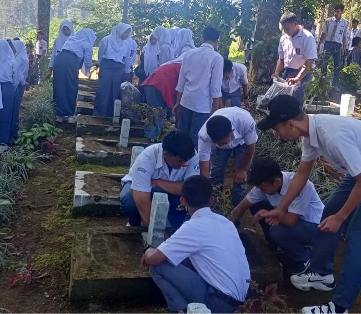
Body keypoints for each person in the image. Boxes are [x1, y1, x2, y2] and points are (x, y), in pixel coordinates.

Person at [256, 94, 361, 314]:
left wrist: (342, 217)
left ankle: (340, 307)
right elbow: (301, 175)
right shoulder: (310, 134)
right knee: (329, 213)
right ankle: (321, 274)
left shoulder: (331, 136)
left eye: (277, 129)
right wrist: (280, 209)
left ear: (290, 124)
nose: (276, 134)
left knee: (358, 238)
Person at [142, 175, 250, 314]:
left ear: (183, 200)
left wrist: (148, 249)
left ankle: (181, 309)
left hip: (219, 304)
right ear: (211, 199)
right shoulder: (226, 222)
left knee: (158, 267)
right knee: (184, 260)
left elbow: (153, 259)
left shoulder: (193, 227)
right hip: (243, 300)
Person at [229, 157, 324, 273]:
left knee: (277, 231)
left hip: (316, 227)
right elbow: (242, 206)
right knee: (257, 205)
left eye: (263, 189)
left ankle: (305, 258)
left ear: (277, 182)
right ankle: (275, 245)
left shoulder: (300, 185)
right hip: (294, 222)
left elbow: (290, 221)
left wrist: (267, 213)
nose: (261, 191)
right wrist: (227, 227)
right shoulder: (266, 184)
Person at [121, 131, 199, 231]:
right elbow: (140, 196)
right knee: (129, 201)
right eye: (180, 161)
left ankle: (174, 228)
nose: (184, 164)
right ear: (165, 154)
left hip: (166, 188)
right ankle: (135, 224)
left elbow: (190, 189)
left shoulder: (192, 156)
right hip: (139, 185)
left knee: (183, 201)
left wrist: (158, 182)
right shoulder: (148, 157)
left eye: (186, 161)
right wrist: (156, 229)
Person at [174, 26, 224, 147]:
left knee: (182, 135)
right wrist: (216, 110)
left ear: (202, 39)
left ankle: (179, 161)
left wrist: (177, 103)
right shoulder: (217, 58)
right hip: (202, 105)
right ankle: (193, 164)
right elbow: (215, 88)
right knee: (197, 138)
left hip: (186, 100)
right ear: (216, 41)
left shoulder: (188, 54)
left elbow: (181, 82)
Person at [197, 107, 257, 206]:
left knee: (240, 179)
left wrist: (242, 169)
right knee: (215, 174)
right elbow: (204, 168)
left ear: (231, 132)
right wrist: (205, 188)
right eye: (217, 143)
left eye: (222, 143)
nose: (220, 145)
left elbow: (250, 147)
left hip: (242, 142)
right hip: (222, 136)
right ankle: (215, 204)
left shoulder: (246, 122)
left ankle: (235, 209)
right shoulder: (204, 136)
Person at [52, 28, 97, 123]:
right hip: (71, 62)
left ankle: (58, 115)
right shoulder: (87, 45)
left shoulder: (71, 38)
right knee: (71, 87)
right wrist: (96, 63)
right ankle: (69, 115)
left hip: (59, 59)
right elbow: (88, 64)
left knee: (59, 86)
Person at [273, 12, 317, 107]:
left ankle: (297, 120)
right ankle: (284, 120)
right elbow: (281, 58)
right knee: (282, 98)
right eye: (283, 29)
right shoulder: (284, 38)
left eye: (287, 28)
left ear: (295, 24)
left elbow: (309, 61)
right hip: (288, 71)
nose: (285, 31)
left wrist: (297, 78)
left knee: (296, 98)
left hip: (304, 73)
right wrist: (277, 73)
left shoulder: (307, 38)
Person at [95, 22, 133, 117]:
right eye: (124, 33)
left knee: (115, 90)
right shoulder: (106, 40)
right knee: (103, 89)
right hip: (107, 65)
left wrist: (127, 71)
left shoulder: (127, 44)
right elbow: (100, 55)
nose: (126, 35)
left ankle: (111, 113)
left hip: (119, 68)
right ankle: (100, 113)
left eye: (127, 33)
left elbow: (127, 59)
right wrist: (100, 64)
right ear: (119, 31)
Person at [319, 4, 349, 88]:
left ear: (342, 12)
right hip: (328, 44)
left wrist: (343, 47)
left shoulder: (345, 23)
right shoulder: (328, 21)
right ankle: (322, 82)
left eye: (338, 11)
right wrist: (319, 44)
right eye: (335, 11)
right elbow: (324, 33)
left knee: (337, 65)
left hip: (338, 45)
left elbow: (344, 36)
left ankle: (334, 84)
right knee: (324, 63)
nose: (336, 13)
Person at [11, 40, 29, 141]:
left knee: (14, 109)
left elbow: (18, 74)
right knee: (15, 108)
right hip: (20, 84)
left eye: (14, 47)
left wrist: (23, 82)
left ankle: (14, 133)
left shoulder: (19, 59)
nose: (12, 49)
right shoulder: (23, 56)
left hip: (18, 84)